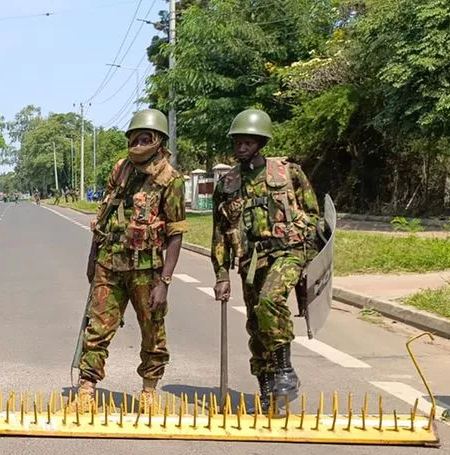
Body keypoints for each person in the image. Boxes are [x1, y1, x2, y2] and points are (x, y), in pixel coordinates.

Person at [75, 108, 186, 410]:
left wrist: (164, 281)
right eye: (134, 137)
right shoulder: (120, 169)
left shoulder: (171, 180)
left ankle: (149, 390)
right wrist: (92, 258)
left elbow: (175, 233)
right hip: (109, 264)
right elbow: (103, 217)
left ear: (159, 142)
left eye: (145, 137)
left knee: (152, 332)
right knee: (97, 327)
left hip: (147, 270)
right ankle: (86, 388)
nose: (138, 143)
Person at [211, 109, 320, 413]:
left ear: (261, 142)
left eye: (248, 141)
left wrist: (310, 261)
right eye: (237, 142)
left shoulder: (289, 173)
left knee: (270, 301)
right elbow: (219, 235)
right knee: (257, 326)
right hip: (251, 260)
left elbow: (314, 217)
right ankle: (269, 393)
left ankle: (285, 370)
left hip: (288, 252)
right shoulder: (228, 184)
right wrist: (221, 275)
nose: (241, 147)